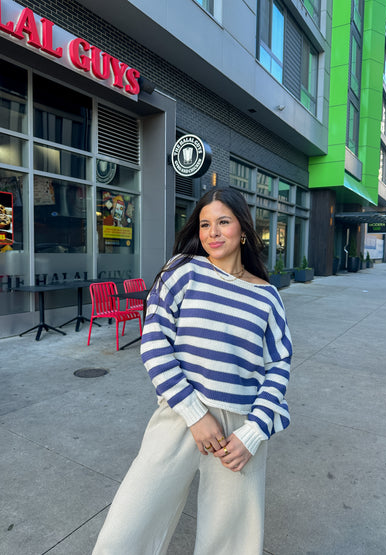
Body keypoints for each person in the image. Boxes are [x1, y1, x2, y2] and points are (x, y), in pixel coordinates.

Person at [92, 186, 292, 555]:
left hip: (239, 432)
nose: (212, 233)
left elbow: (279, 364)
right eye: (204, 224)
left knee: (230, 543)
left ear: (243, 230)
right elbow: (153, 343)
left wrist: (253, 433)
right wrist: (195, 415)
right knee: (126, 529)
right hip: (180, 416)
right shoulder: (182, 271)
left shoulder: (267, 296)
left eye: (223, 222)